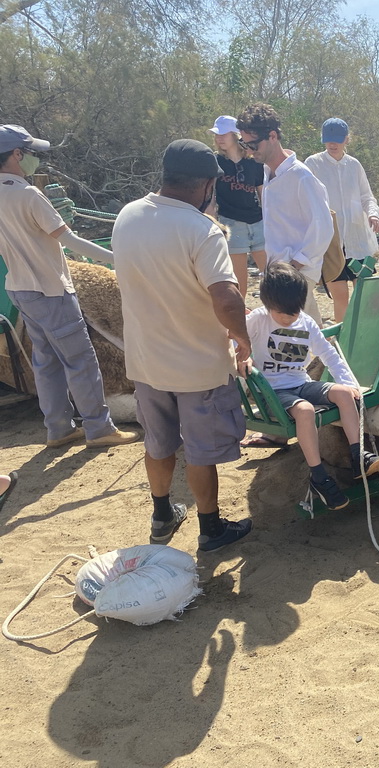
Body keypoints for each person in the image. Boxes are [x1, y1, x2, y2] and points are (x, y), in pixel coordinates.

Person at [111, 139, 252, 552]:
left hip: (145, 359)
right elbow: (226, 298)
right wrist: (242, 337)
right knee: (199, 449)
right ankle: (211, 529)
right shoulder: (201, 230)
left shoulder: (128, 214)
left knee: (156, 443)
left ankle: (161, 515)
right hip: (197, 365)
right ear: (206, 185)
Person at [0, 124, 139, 449]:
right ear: (17, 155)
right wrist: (119, 260)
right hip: (51, 289)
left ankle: (59, 428)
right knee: (81, 361)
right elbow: (71, 240)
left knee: (45, 361)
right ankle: (99, 427)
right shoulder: (28, 195)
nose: (35, 159)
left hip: (19, 290)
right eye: (31, 153)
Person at [241, 262, 379, 509]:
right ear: (268, 305)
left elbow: (329, 354)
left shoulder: (306, 322)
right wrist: (243, 357)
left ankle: (357, 457)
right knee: (306, 411)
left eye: (294, 312)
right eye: (282, 314)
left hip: (300, 384)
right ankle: (318, 475)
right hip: (273, 393)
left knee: (343, 394)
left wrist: (348, 383)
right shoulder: (258, 320)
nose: (289, 318)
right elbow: (234, 345)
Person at [236, 103, 332, 325]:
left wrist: (293, 267)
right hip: (278, 275)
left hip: (296, 277)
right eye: (244, 144)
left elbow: (323, 227)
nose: (249, 151)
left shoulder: (302, 177)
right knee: (295, 345)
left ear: (272, 136)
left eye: (252, 144)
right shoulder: (267, 173)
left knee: (303, 345)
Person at [305, 118, 379, 324]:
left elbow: (367, 196)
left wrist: (373, 214)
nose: (332, 144)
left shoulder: (354, 165)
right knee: (340, 297)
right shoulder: (312, 163)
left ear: (347, 139)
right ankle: (342, 339)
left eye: (337, 140)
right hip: (331, 243)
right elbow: (305, 199)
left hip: (358, 241)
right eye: (328, 140)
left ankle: (365, 335)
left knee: (364, 294)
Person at [209, 115, 266, 298]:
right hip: (232, 223)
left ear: (235, 135)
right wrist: (212, 222)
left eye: (223, 134)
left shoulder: (253, 163)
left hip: (257, 223)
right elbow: (210, 196)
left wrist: (271, 220)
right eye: (217, 134)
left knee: (273, 275)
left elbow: (262, 193)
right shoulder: (215, 162)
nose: (219, 138)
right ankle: (240, 321)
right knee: (239, 283)